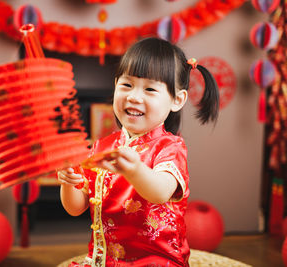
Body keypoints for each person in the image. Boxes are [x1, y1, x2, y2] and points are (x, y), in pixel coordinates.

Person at [57, 37, 219, 267]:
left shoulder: (170, 147)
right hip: (105, 260)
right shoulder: (102, 147)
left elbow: (160, 192)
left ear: (177, 99)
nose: (134, 96)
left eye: (150, 89)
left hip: (155, 260)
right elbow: (75, 207)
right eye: (126, 85)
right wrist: (67, 181)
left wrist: (134, 169)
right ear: (115, 85)